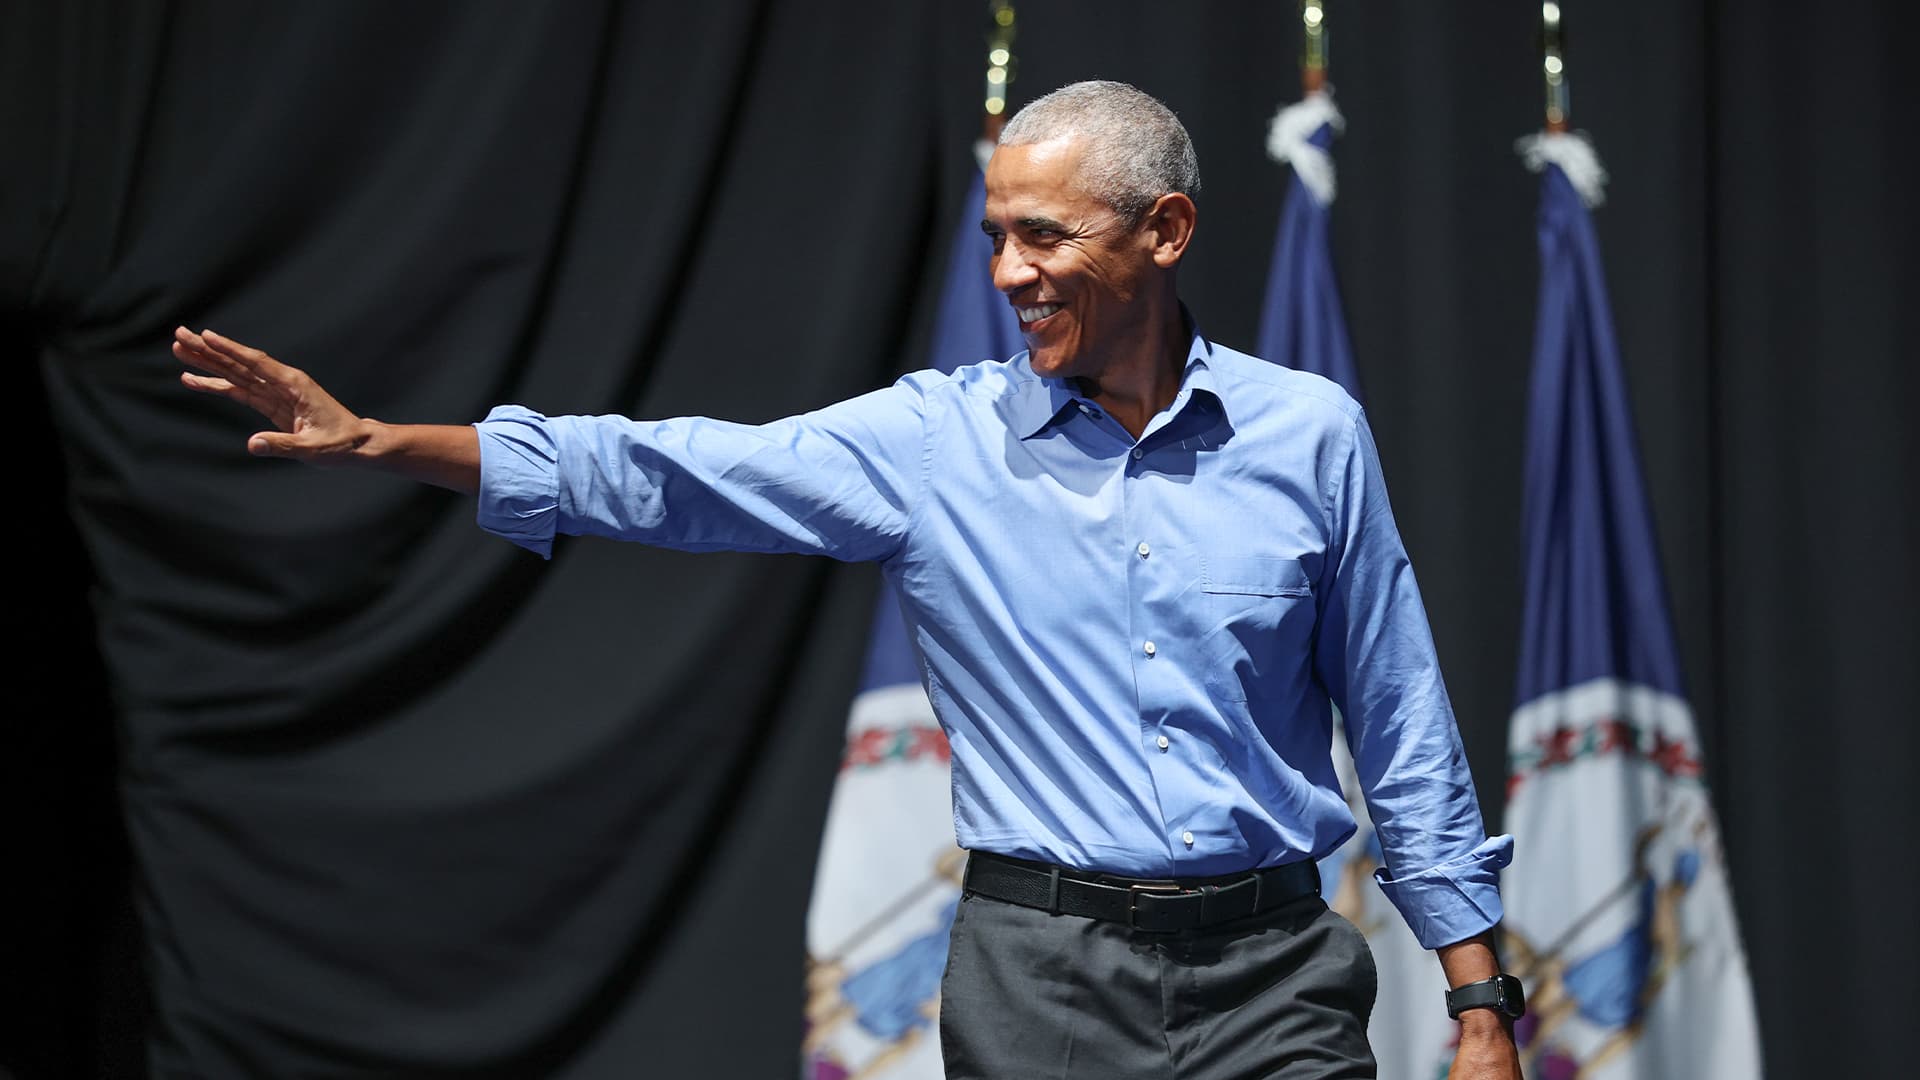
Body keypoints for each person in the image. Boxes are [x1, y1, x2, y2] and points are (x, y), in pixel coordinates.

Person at [175, 80, 1522, 1080]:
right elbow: (674, 472)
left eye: (1043, 237)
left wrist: (1477, 1000)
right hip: (1042, 985)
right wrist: (383, 443)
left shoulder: (1310, 435)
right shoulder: (935, 441)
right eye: (998, 236)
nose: (1009, 273)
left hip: (1273, 978)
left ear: (1162, 232)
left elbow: (1399, 716)